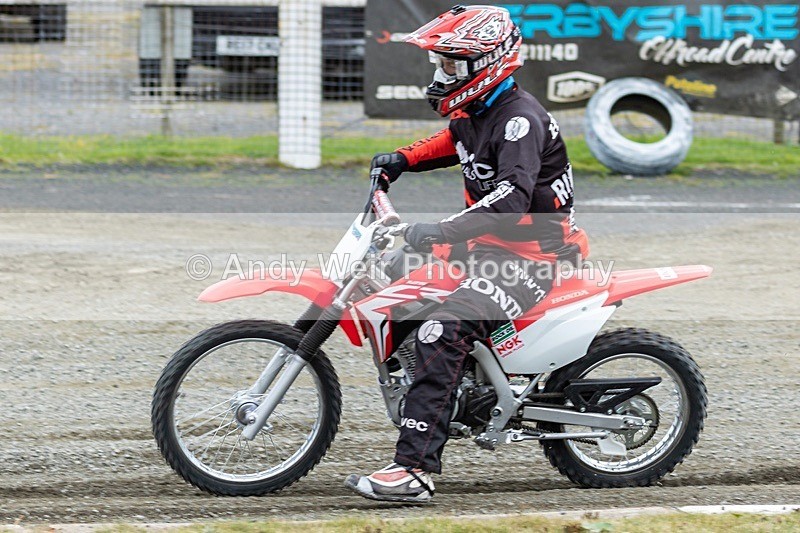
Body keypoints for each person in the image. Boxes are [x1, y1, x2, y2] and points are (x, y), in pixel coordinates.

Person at [345, 4, 589, 503]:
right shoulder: (477, 111)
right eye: (439, 63)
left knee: (443, 326)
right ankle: (449, 388)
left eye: (451, 65)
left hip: (528, 261)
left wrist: (437, 231)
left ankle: (414, 470)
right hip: (484, 250)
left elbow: (511, 199)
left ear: (488, 63)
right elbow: (456, 140)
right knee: (391, 277)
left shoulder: (520, 121)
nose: (440, 73)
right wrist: (403, 160)